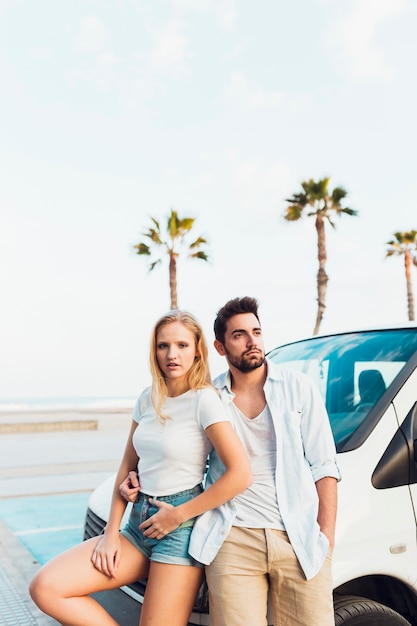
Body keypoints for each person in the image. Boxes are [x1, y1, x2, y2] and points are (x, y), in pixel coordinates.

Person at [122, 296, 340, 626]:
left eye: (256, 331)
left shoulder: (299, 389)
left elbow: (324, 465)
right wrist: (135, 475)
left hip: (298, 537)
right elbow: (176, 450)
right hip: (232, 539)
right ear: (220, 348)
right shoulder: (208, 396)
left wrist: (326, 537)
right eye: (239, 335)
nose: (252, 341)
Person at [29, 309, 252, 626]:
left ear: (197, 351)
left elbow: (240, 474)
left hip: (179, 529)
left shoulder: (204, 399)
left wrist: (177, 514)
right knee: (46, 587)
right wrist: (110, 533)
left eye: (182, 345)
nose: (172, 354)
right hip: (137, 525)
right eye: (163, 346)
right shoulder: (147, 399)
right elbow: (127, 464)